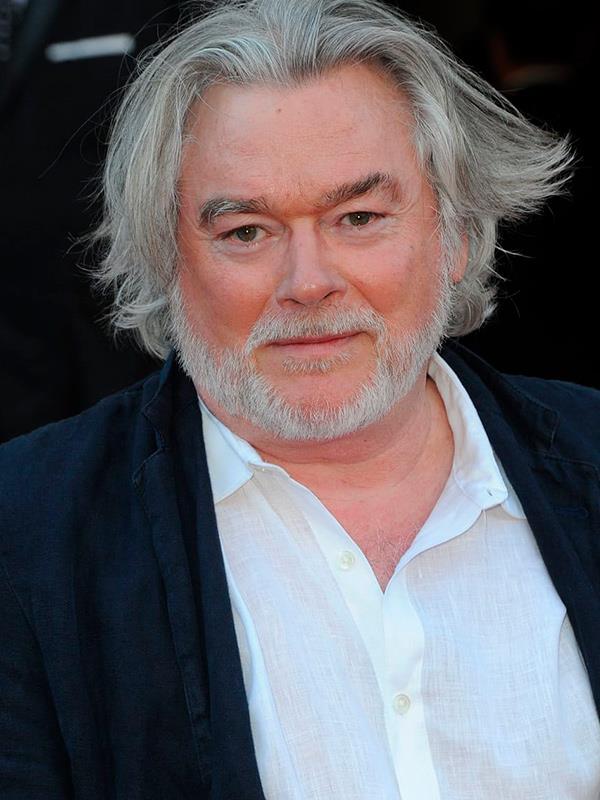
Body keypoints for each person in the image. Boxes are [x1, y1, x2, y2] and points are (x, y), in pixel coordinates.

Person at [1, 0, 598, 797]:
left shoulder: (590, 457)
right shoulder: (26, 537)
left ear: (454, 236)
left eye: (359, 217)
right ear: (165, 256)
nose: (308, 282)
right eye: (246, 231)